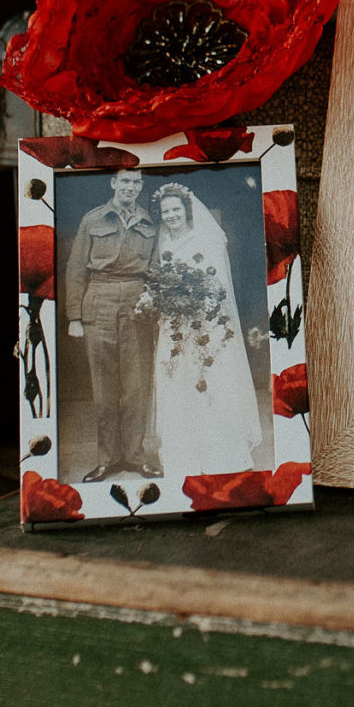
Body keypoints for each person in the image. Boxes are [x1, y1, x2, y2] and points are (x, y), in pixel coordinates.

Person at [146, 183, 263, 483]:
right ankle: (184, 451)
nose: (171, 216)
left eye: (176, 209)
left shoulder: (206, 238)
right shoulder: (162, 240)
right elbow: (163, 277)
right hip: (175, 321)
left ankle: (219, 451)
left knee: (210, 379)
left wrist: (197, 301)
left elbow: (218, 282)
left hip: (204, 320)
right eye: (166, 211)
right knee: (178, 379)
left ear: (187, 210)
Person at [63, 167, 160, 482]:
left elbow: (157, 268)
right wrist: (74, 317)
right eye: (125, 181)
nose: (130, 187)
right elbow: (76, 267)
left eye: (136, 182)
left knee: (136, 385)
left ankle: (135, 456)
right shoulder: (92, 220)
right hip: (100, 298)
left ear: (141, 186)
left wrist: (152, 302)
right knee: (104, 388)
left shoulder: (149, 222)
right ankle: (107, 459)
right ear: (113, 183)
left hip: (136, 303)